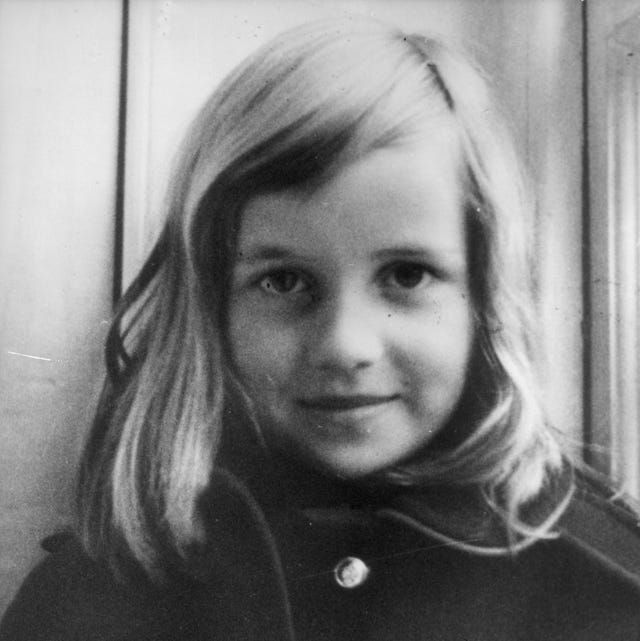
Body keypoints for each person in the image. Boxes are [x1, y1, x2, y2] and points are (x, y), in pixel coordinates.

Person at [2, 17, 640, 641]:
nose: (345, 345)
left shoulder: (602, 589)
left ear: (484, 295)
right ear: (210, 308)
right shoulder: (91, 602)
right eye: (283, 281)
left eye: (407, 276)